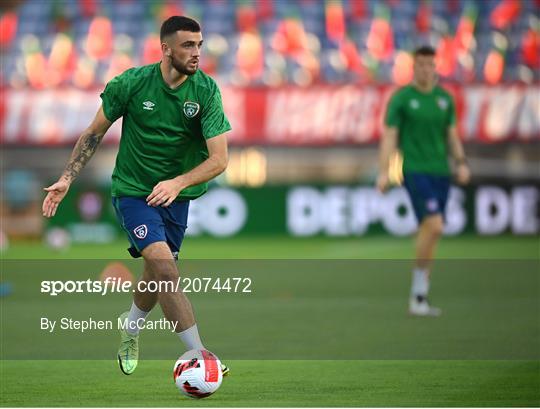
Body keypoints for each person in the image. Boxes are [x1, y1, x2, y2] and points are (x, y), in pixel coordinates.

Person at [42, 16, 231, 374]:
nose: (196, 53)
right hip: (134, 193)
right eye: (188, 45)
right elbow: (94, 132)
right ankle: (201, 357)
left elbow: (220, 159)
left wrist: (177, 183)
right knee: (165, 269)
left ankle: (130, 327)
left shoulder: (205, 91)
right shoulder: (131, 84)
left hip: (176, 197)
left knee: (154, 276)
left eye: (199, 45)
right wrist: (67, 177)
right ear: (165, 49)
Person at [377, 45, 470, 317]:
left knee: (432, 231)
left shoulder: (445, 99)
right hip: (415, 169)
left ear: (436, 67)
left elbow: (451, 134)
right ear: (413, 67)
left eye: (430, 65)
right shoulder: (403, 99)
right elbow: (390, 136)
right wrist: (384, 171)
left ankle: (421, 296)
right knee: (436, 225)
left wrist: (461, 162)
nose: (426, 69)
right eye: (421, 65)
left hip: (441, 171)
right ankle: (417, 295)